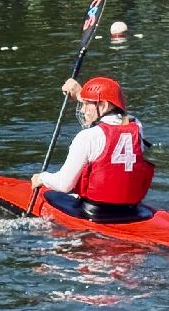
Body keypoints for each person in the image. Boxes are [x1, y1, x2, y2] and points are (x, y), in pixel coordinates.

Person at [30, 76, 154, 212]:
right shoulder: (137, 127)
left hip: (94, 212)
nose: (82, 110)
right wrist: (80, 94)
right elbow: (119, 116)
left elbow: (63, 185)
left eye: (86, 104)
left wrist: (41, 178)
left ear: (104, 105)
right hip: (132, 210)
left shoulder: (87, 137)